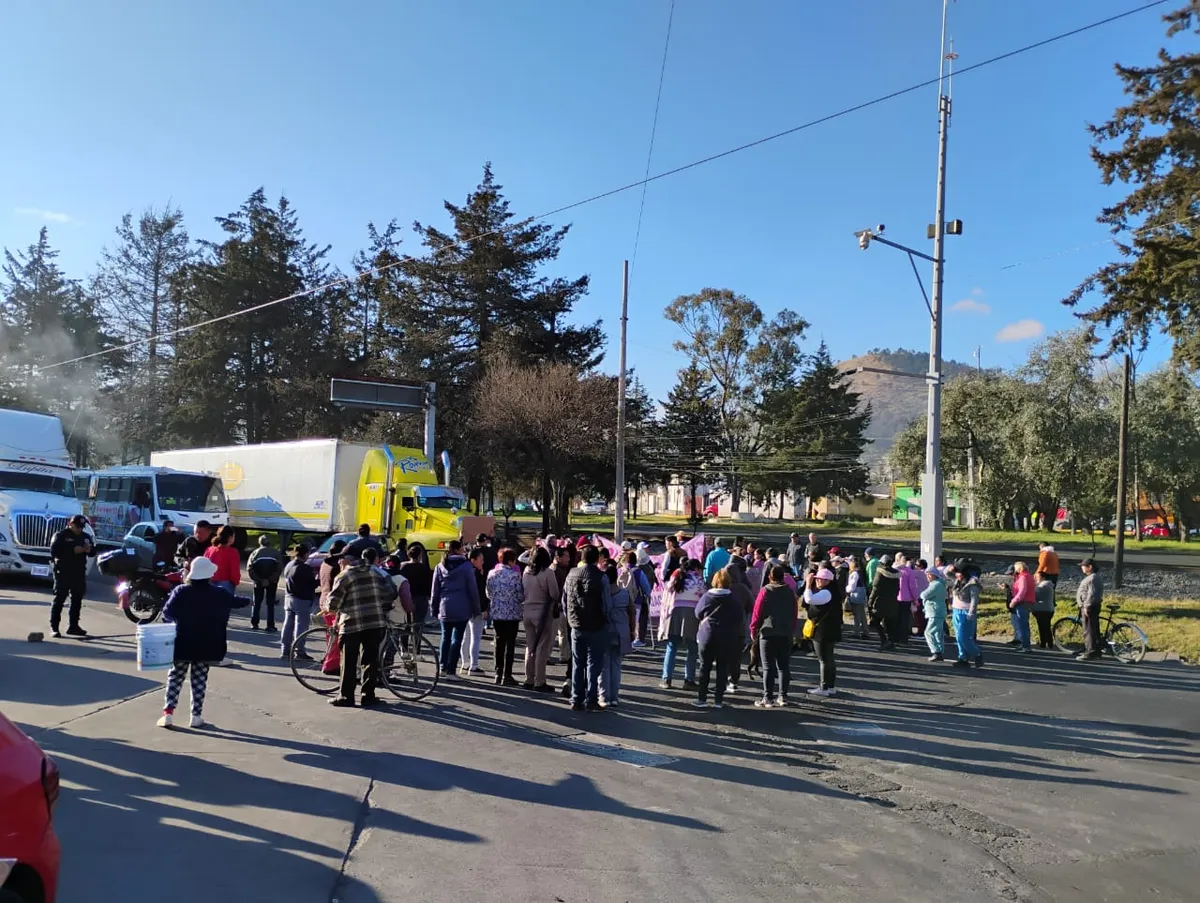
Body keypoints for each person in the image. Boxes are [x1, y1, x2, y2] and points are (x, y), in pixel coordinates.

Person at [156, 556, 249, 728]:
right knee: (199, 680)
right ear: (209, 575)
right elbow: (237, 602)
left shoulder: (181, 591)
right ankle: (195, 716)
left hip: (182, 642)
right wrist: (250, 600)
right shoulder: (219, 593)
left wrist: (175, 622)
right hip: (207, 644)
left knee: (175, 677)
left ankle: (168, 714)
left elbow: (167, 612)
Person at [326, 548, 398, 707]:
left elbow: (332, 605)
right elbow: (389, 594)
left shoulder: (344, 576)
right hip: (375, 622)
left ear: (348, 560)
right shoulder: (375, 573)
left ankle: (346, 696)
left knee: (349, 662)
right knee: (370, 661)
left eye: (341, 559)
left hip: (351, 624)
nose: (339, 562)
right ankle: (368, 695)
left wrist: (332, 607)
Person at [564, 545, 610, 711]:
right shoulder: (601, 577)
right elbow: (606, 604)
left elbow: (565, 599)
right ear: (597, 559)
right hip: (596, 625)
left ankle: (576, 698)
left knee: (577, 663)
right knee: (593, 664)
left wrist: (570, 618)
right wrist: (606, 620)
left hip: (576, 624)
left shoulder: (571, 574)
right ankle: (591, 699)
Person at [692, 568, 743, 709]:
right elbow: (739, 617)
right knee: (722, 668)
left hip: (707, 635)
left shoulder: (707, 597)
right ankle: (718, 700)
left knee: (704, 667)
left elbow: (697, 613)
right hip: (726, 637)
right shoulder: (733, 599)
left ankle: (702, 699)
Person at [748, 564, 797, 707]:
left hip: (768, 632)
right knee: (783, 667)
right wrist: (792, 629)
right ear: (783, 577)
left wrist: (753, 629)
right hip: (785, 632)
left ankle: (767, 697)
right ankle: (783, 696)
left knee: (768, 667)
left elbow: (757, 612)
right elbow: (794, 613)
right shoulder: (790, 592)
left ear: (770, 576)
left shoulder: (766, 590)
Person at [431, 540, 481, 675]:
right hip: (462, 606)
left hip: (445, 606)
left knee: (445, 637)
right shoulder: (466, 567)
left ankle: (442, 666)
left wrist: (434, 608)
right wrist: (476, 608)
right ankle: (451, 670)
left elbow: (435, 590)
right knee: (457, 638)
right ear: (459, 550)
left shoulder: (440, 566)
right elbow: (473, 589)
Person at [657, 558, 704, 689]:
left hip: (674, 614)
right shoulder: (699, 581)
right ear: (696, 569)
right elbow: (703, 598)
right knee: (692, 648)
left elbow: (667, 592)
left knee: (672, 646)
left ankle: (666, 679)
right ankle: (688, 680)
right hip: (692, 616)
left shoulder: (676, 577)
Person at [521, 546, 560, 691]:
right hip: (542, 612)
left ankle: (529, 678)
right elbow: (554, 594)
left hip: (527, 610)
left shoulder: (526, 571)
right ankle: (540, 680)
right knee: (542, 647)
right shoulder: (548, 573)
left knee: (530, 646)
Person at [49, 514, 93, 638]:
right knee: (59, 599)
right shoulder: (61, 535)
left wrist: (89, 550)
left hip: (78, 572)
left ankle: (73, 626)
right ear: (70, 524)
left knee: (77, 599)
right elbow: (54, 551)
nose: (79, 529)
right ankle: (54, 627)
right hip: (63, 571)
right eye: (77, 526)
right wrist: (72, 550)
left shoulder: (85, 537)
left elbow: (93, 551)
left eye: (81, 527)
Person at [486, 548, 525, 686]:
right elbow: (520, 596)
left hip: (497, 613)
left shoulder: (492, 573)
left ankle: (498, 672)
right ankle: (507, 675)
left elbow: (488, 593)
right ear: (511, 561)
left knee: (499, 643)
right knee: (510, 644)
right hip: (512, 614)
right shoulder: (515, 576)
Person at [599, 561, 634, 708]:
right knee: (616, 665)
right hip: (622, 632)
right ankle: (614, 697)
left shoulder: (602, 595)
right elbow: (632, 613)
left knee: (604, 666)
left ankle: (604, 696)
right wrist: (632, 630)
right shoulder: (625, 594)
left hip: (605, 631)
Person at [803, 567, 841, 697]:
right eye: (817, 579)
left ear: (828, 581)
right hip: (830, 629)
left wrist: (808, 584)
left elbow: (809, 599)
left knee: (823, 659)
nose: (818, 581)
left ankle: (824, 687)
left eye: (821, 579)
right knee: (829, 658)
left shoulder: (826, 593)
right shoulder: (832, 592)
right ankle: (830, 686)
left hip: (823, 631)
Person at [281, 543, 318, 660]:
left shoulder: (289, 565)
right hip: (301, 599)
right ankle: (299, 650)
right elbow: (312, 584)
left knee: (288, 625)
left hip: (289, 597)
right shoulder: (304, 568)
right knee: (301, 626)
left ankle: (285, 650)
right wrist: (318, 580)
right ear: (305, 554)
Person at [460, 548, 490, 676]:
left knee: (466, 636)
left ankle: (465, 663)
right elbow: (480, 593)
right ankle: (474, 666)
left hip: (464, 608)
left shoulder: (464, 571)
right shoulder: (476, 574)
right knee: (475, 637)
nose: (482, 562)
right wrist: (483, 608)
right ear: (473, 560)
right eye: (481, 560)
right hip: (476, 609)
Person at [949, 559, 983, 668]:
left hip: (966, 612)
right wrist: (953, 568)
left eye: (959, 573)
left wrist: (971, 613)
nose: (956, 575)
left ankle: (977, 654)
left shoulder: (973, 584)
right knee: (958, 637)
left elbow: (974, 600)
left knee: (963, 638)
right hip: (956, 611)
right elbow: (946, 573)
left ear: (965, 573)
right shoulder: (958, 580)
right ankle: (963, 658)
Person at [247, 535, 282, 631]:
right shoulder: (276, 553)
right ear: (270, 543)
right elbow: (279, 569)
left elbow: (250, 568)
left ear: (259, 542)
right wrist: (270, 579)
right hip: (272, 582)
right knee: (270, 603)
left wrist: (259, 580)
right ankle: (270, 625)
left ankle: (254, 623)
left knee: (257, 602)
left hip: (258, 582)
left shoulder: (254, 553)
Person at [868, 554, 901, 650]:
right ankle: (891, 642)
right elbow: (898, 589)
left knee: (876, 621)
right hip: (893, 601)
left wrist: (870, 601)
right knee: (890, 623)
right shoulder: (896, 575)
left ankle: (884, 641)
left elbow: (875, 588)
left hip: (880, 602)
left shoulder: (880, 572)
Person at [397, 544, 433, 626]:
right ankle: (417, 634)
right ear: (420, 555)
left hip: (406, 596)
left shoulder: (403, 567)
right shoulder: (423, 568)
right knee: (418, 622)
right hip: (420, 598)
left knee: (407, 622)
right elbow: (428, 584)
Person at [1076, 558, 1104, 661]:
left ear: (1090, 567)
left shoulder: (1093, 578)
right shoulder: (1094, 577)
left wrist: (1086, 606)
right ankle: (1096, 652)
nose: (1081, 568)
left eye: (1083, 566)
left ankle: (1090, 652)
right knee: (1093, 629)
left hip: (1090, 607)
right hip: (1091, 605)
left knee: (1089, 630)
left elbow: (1092, 594)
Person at [920, 566, 948, 662]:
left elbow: (924, 595)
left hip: (934, 611)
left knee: (929, 632)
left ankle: (935, 651)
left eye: (929, 574)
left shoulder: (935, 585)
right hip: (938, 611)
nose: (927, 576)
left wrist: (922, 593)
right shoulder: (940, 584)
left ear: (934, 575)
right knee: (937, 633)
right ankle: (939, 651)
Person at [203, 525, 241, 595]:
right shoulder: (233, 552)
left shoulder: (209, 549)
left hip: (209, 582)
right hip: (226, 584)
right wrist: (236, 581)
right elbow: (235, 571)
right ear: (230, 537)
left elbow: (204, 566)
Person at [632, 543, 656, 646]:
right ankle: (640, 638)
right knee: (643, 618)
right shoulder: (649, 568)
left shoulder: (634, 570)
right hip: (645, 596)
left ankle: (636, 638)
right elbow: (651, 582)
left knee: (635, 618)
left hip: (635, 597)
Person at [1009, 561, 1035, 652]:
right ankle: (1025, 644)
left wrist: (1014, 601)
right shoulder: (1029, 576)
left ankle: (1026, 646)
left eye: (1016, 568)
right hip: (1028, 602)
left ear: (1019, 569)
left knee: (1022, 625)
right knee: (1024, 625)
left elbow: (1022, 591)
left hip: (1023, 602)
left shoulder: (1023, 577)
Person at [845, 556, 869, 639]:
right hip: (862, 593)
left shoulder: (854, 573)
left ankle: (856, 632)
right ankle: (866, 631)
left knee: (857, 614)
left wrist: (846, 589)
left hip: (856, 594)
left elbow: (852, 586)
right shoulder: (861, 572)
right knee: (862, 614)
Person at [1032, 569, 1056, 649]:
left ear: (1042, 577)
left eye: (1037, 577)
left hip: (1042, 609)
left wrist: (1033, 586)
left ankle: (1046, 643)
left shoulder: (1043, 586)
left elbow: (1035, 596)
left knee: (1043, 627)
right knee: (1046, 627)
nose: (1035, 578)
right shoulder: (1049, 585)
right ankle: (1047, 643)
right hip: (1048, 609)